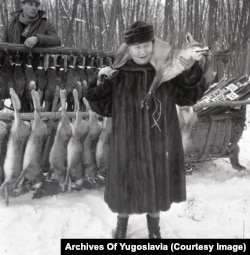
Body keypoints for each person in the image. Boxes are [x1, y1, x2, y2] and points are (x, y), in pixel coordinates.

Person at [85, 21, 211, 239]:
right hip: (127, 142)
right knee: (124, 188)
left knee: (157, 187)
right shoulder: (120, 74)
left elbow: (188, 97)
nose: (142, 51)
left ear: (152, 44)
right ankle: (121, 228)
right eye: (137, 47)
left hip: (160, 141)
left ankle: (154, 229)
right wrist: (99, 81)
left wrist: (191, 70)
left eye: (146, 45)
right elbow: (103, 108)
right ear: (128, 47)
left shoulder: (167, 70)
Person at [1, 0, 61, 67]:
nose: (34, 8)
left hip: (36, 71)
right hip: (12, 69)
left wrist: (38, 38)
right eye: (30, 4)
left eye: (36, 5)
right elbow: (3, 45)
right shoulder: (10, 24)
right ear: (22, 5)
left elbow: (57, 41)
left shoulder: (45, 24)